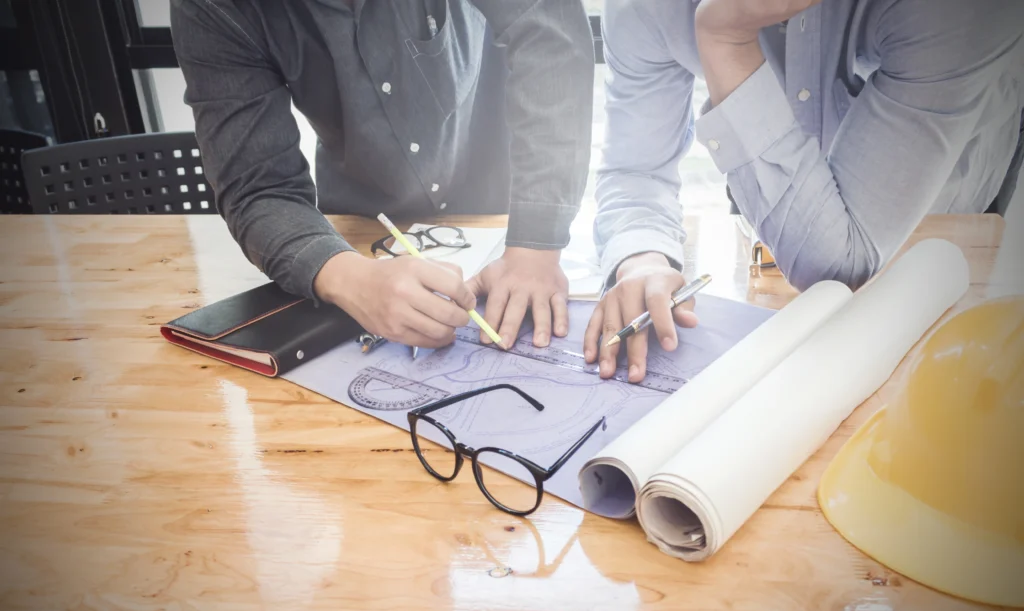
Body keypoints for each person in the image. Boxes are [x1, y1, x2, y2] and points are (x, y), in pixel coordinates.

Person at [588, 0, 1024, 383]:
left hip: (947, 223)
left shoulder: (963, 9)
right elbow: (636, 171)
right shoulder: (640, 7)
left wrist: (727, 41)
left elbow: (838, 264)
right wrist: (641, 256)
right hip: (770, 207)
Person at [170, 0, 594, 351]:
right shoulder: (214, 7)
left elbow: (548, 28)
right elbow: (257, 187)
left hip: (494, 210)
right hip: (358, 230)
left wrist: (536, 246)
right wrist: (350, 279)